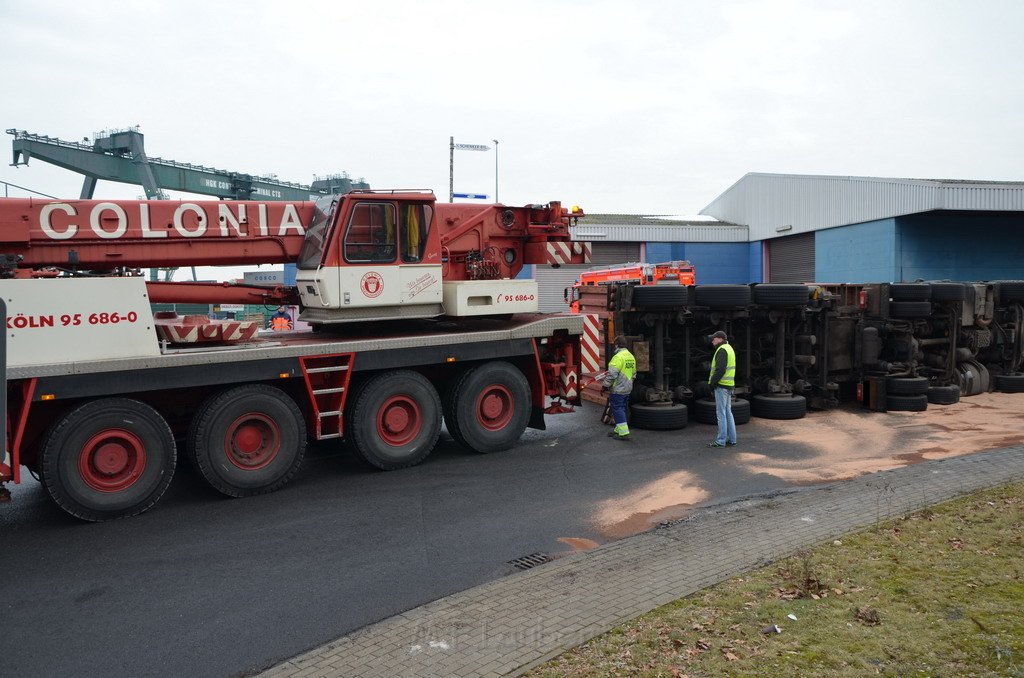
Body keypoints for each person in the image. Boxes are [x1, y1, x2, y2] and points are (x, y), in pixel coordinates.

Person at [602, 335, 637, 441]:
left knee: (617, 409)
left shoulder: (618, 357)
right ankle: (618, 429)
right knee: (622, 408)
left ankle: (624, 433)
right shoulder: (630, 356)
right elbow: (634, 373)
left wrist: (605, 385)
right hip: (627, 388)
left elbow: (612, 374)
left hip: (618, 389)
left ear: (616, 345)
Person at [707, 330, 737, 448]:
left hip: (721, 386)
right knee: (728, 412)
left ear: (720, 339)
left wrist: (712, 384)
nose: (712, 341)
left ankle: (720, 441)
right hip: (729, 385)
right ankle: (732, 439)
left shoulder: (722, 350)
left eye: (713, 339)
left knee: (721, 413)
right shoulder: (729, 348)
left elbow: (720, 369)